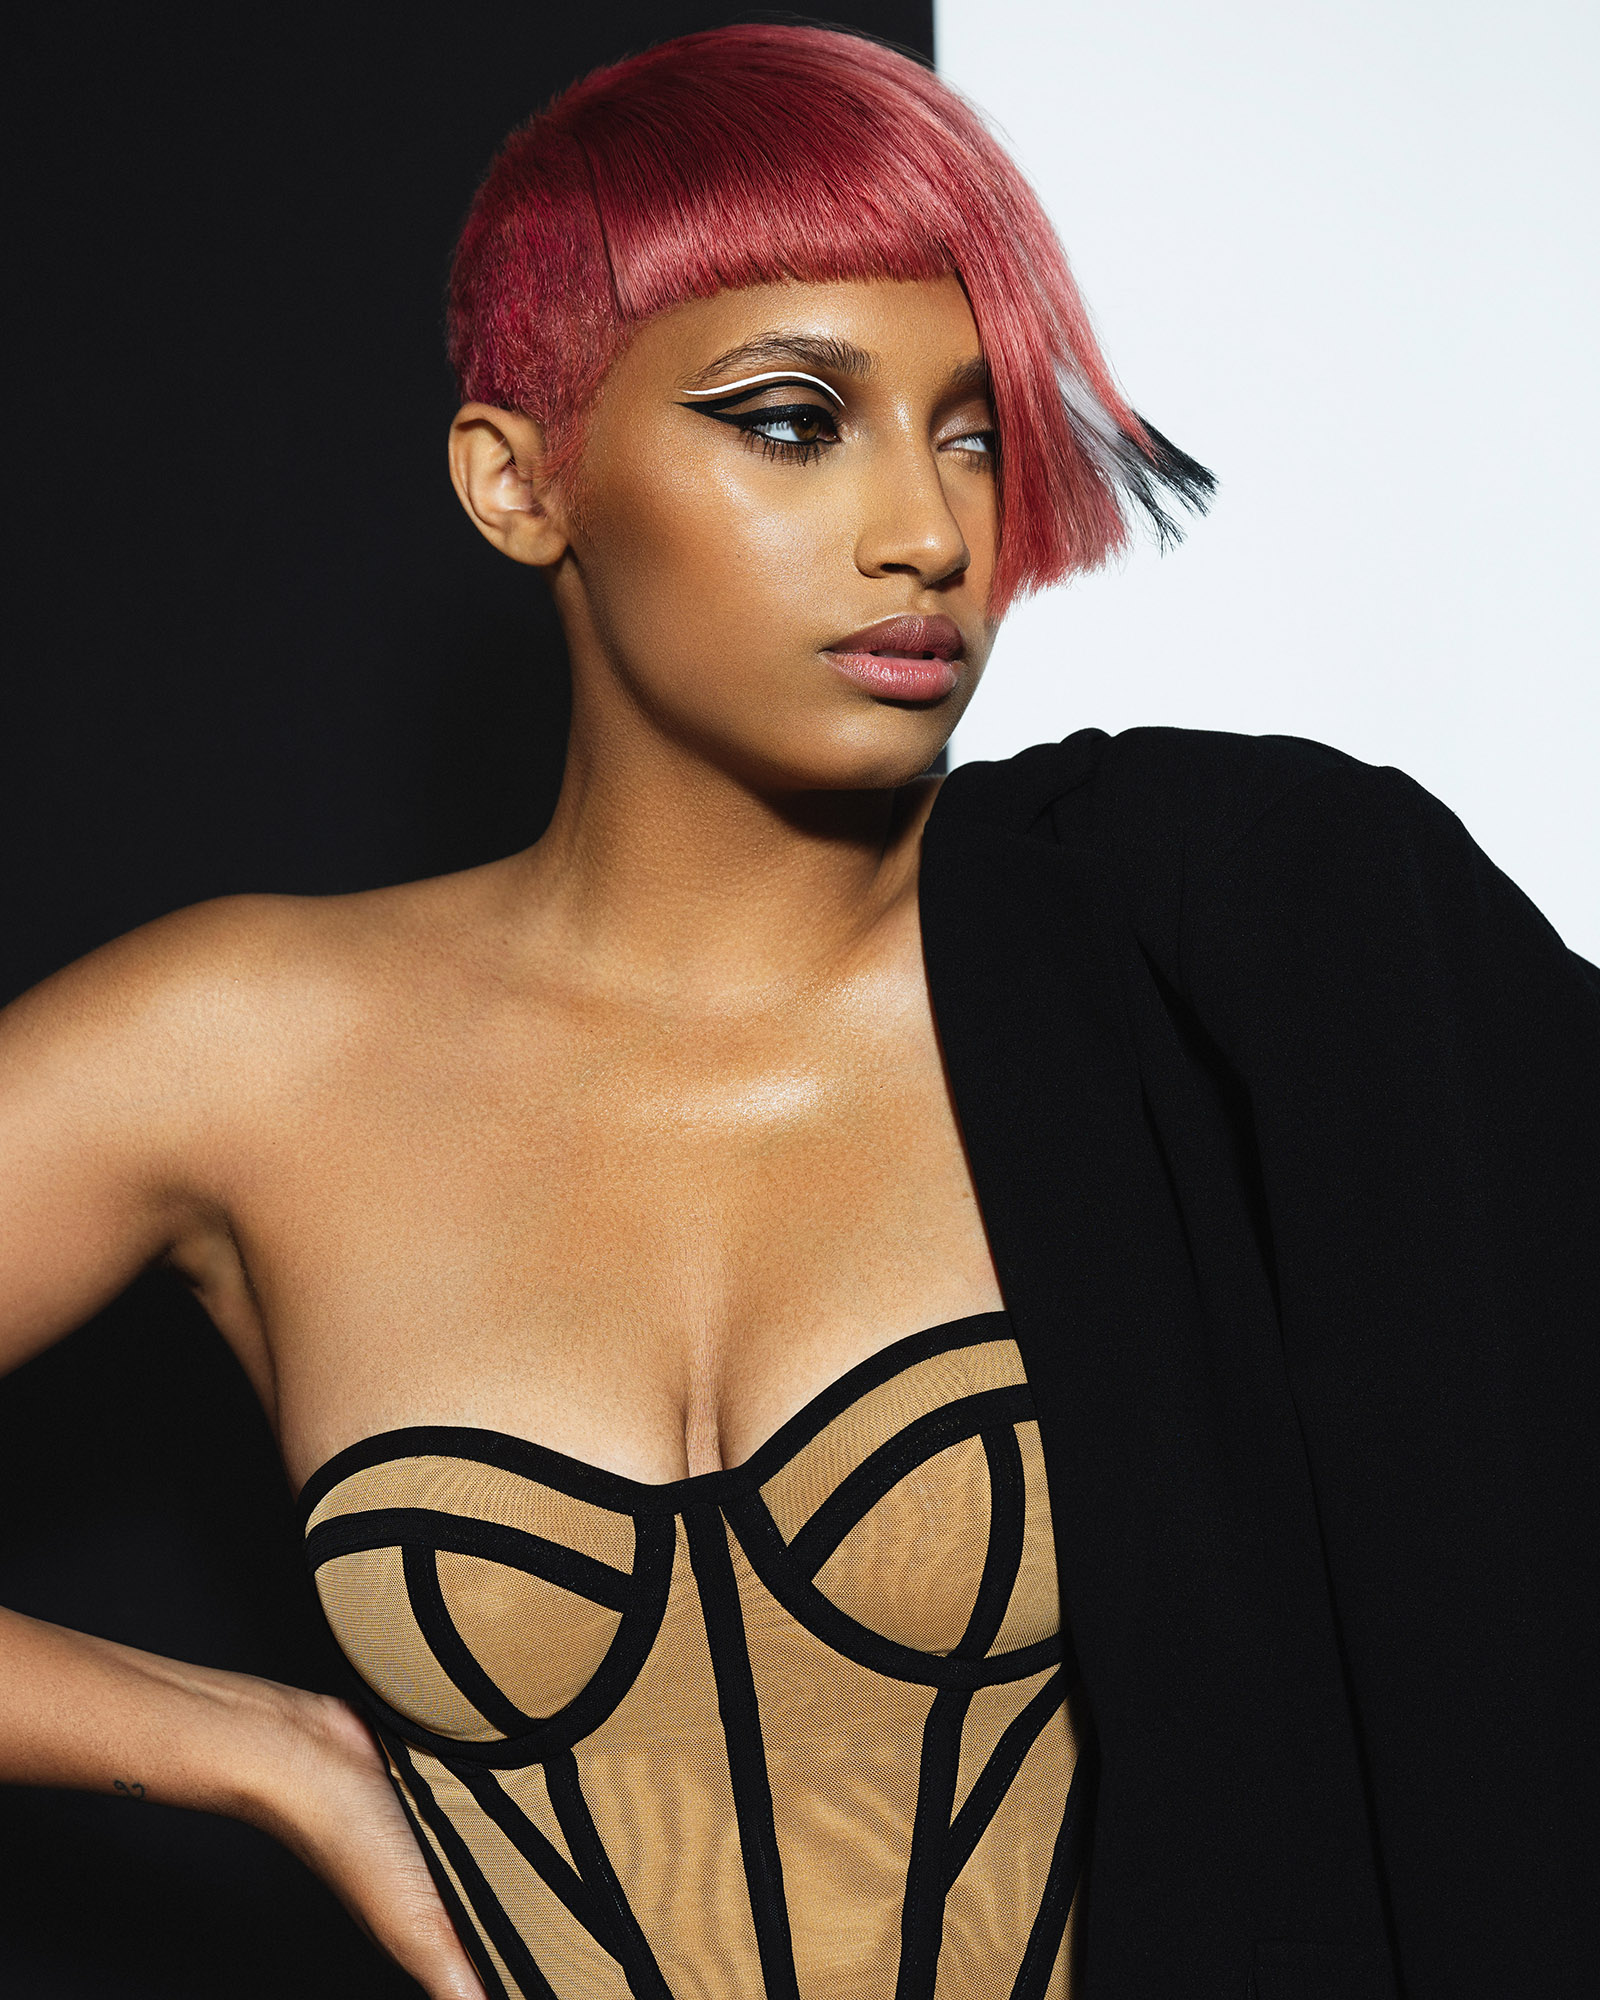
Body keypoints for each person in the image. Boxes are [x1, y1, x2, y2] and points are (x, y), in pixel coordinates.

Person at [0, 23, 1594, 2000]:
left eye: (974, 431)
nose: (928, 531)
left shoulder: (1184, 960)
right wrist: (258, 1753)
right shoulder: (248, 1048)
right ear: (520, 481)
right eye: (789, 420)